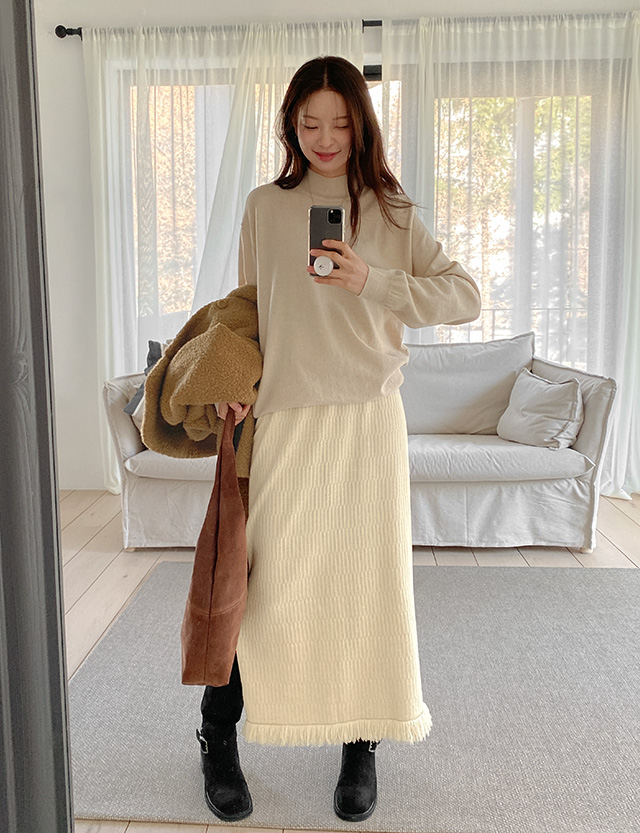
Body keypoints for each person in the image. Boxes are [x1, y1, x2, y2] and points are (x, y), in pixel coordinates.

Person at [196, 56, 481, 824]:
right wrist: (231, 376)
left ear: (363, 125)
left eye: (341, 123)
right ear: (290, 124)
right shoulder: (265, 205)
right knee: (261, 590)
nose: (324, 138)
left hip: (367, 423)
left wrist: (372, 281)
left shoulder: (391, 211)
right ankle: (217, 736)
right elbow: (248, 307)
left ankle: (362, 745)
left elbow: (464, 295)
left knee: (365, 587)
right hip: (286, 419)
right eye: (309, 122)